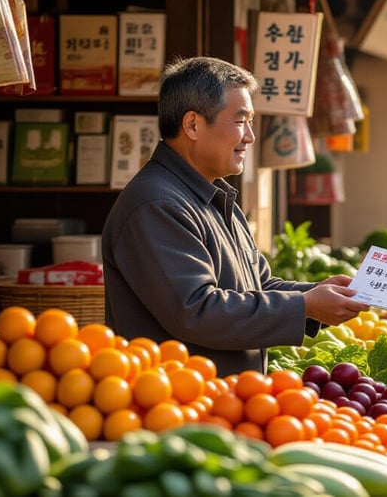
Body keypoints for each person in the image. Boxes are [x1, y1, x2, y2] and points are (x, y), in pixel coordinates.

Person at [102, 56, 368, 377]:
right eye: (241, 121)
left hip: (225, 399)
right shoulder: (155, 204)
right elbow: (197, 310)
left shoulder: (214, 194)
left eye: (251, 122)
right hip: (179, 405)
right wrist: (306, 306)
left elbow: (260, 286)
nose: (250, 137)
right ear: (193, 125)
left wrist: (316, 294)